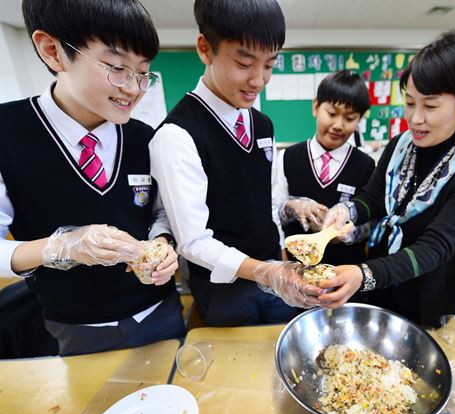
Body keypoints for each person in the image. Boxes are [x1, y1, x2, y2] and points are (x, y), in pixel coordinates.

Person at [0, 0, 184, 355]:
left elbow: (160, 212)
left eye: (144, 72)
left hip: (160, 313)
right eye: (117, 67)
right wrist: (60, 247)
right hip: (76, 327)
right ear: (53, 51)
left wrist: (162, 243)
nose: (134, 88)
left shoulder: (144, 136)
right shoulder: (8, 132)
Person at [149, 0, 321, 327]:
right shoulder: (177, 135)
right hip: (224, 289)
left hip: (274, 272)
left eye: (269, 65)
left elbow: (267, 201)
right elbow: (192, 240)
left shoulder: (263, 125)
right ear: (205, 49)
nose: (258, 80)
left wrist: (282, 246)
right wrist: (266, 272)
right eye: (244, 63)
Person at [317, 31, 455, 327]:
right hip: (376, 280)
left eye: (430, 106)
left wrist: (365, 274)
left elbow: (434, 248)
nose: (415, 118)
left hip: (422, 292)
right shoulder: (400, 144)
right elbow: (373, 199)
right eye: (410, 102)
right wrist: (347, 211)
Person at [278, 70, 375, 266]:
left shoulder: (366, 164)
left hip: (347, 271)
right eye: (331, 113)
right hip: (298, 271)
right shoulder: (287, 157)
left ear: (359, 120)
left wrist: (348, 234)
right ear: (316, 107)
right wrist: (292, 207)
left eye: (349, 118)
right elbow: (274, 212)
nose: (338, 125)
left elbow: (373, 220)